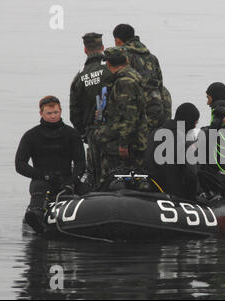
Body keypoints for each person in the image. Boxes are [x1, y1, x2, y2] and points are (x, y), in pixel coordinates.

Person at [15, 96, 86, 233]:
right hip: (42, 179)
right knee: (40, 190)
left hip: (67, 178)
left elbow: (80, 162)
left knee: (86, 189)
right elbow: (20, 164)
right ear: (41, 113)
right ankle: (36, 217)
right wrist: (44, 176)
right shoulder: (31, 135)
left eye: (56, 113)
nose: (53, 116)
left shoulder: (72, 134)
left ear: (60, 111)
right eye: (49, 113)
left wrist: (73, 180)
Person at [94, 47, 149, 186]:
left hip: (125, 142)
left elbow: (129, 115)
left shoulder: (124, 82)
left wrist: (123, 144)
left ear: (108, 64)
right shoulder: (132, 75)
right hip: (134, 138)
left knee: (114, 178)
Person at [69, 32, 112, 186]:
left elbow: (74, 112)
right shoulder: (111, 69)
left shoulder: (79, 77)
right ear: (102, 47)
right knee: (115, 172)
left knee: (95, 174)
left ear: (85, 50)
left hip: (92, 131)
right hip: (114, 129)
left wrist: (84, 133)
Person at [113, 24, 172, 131]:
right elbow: (160, 85)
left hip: (135, 114)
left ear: (117, 41)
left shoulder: (121, 56)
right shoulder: (152, 58)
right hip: (155, 110)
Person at [145, 103, 200, 200]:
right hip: (174, 198)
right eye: (195, 123)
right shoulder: (184, 140)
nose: (195, 126)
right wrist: (193, 199)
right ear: (189, 122)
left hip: (151, 193)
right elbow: (191, 175)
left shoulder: (154, 133)